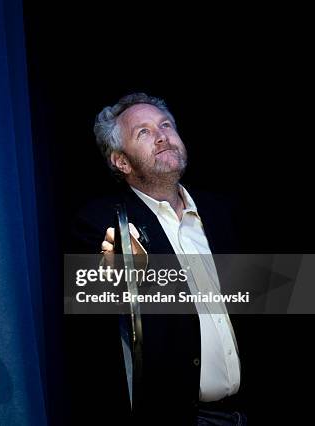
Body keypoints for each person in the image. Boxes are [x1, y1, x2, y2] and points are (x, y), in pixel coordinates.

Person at [65, 93, 247, 425]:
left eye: (165, 125)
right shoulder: (100, 221)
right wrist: (118, 277)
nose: (162, 135)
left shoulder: (223, 212)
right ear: (122, 162)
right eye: (144, 132)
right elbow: (90, 310)